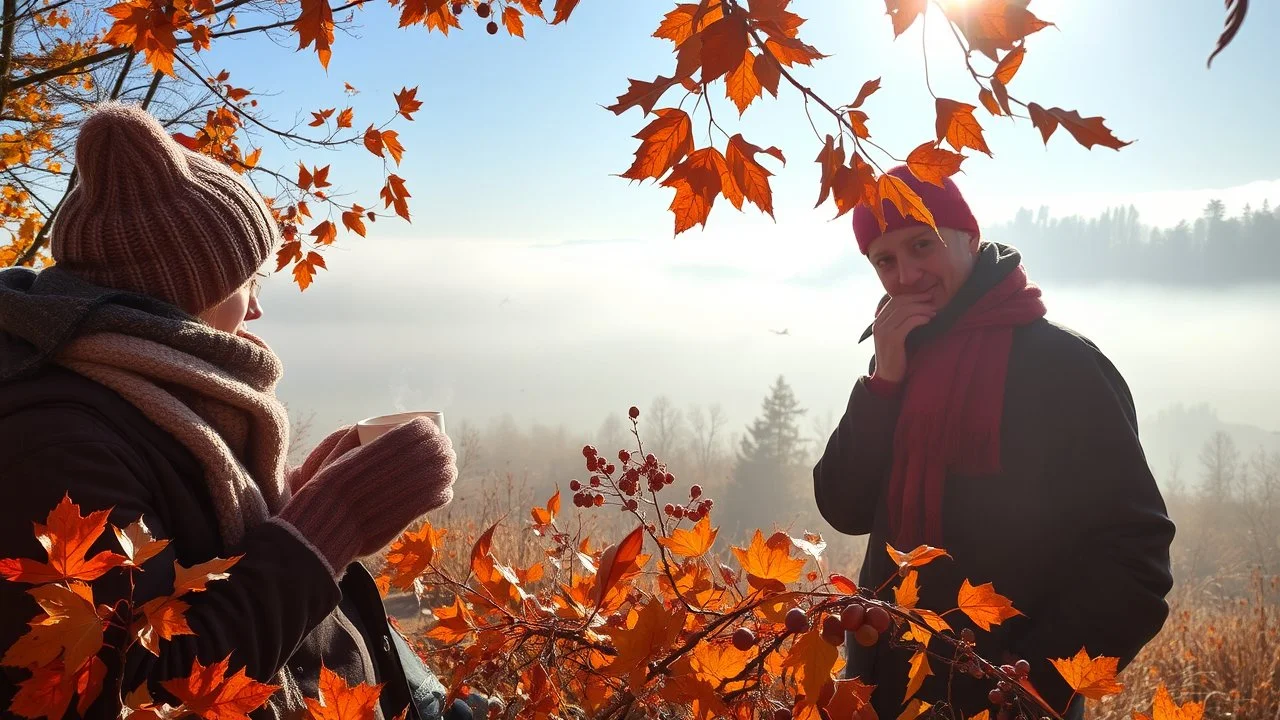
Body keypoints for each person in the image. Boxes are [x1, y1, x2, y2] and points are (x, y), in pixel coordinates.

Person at [0, 103, 467, 720]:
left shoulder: (136, 382)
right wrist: (331, 530)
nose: (258, 309)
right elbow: (140, 691)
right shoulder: (56, 442)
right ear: (185, 290)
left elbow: (198, 557)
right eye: (249, 280)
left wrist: (308, 495)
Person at [813, 166, 1175, 720]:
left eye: (921, 245)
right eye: (884, 260)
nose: (906, 275)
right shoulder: (899, 355)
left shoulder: (1064, 367)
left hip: (1007, 697)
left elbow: (1135, 557)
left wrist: (1030, 686)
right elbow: (844, 507)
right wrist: (883, 383)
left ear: (970, 237)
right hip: (881, 688)